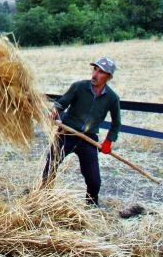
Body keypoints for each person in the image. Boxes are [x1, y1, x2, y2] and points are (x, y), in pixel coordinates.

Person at [42, 57, 121, 206]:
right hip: (66, 133)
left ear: (109, 77)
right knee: (51, 165)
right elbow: (61, 103)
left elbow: (116, 123)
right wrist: (54, 111)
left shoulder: (112, 98)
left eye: (101, 72)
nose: (95, 74)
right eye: (95, 69)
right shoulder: (79, 87)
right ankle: (43, 199)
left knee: (94, 180)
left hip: (89, 139)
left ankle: (91, 206)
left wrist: (109, 141)